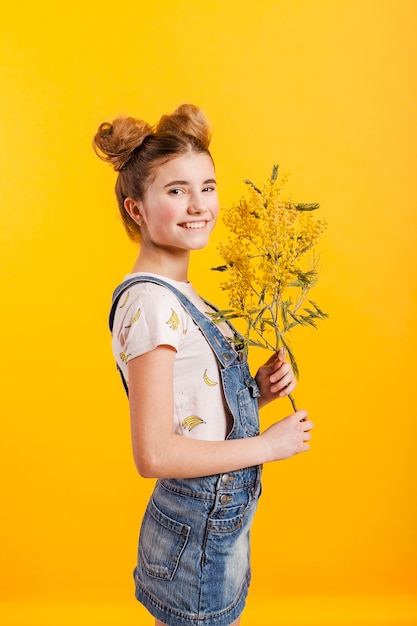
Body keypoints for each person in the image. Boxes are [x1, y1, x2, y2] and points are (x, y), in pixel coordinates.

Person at [93, 104, 313, 626]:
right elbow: (153, 452)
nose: (199, 205)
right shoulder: (151, 304)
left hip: (215, 528)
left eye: (207, 186)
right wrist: (269, 445)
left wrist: (255, 393)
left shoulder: (184, 297)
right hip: (195, 532)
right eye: (176, 190)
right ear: (136, 209)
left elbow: (191, 412)